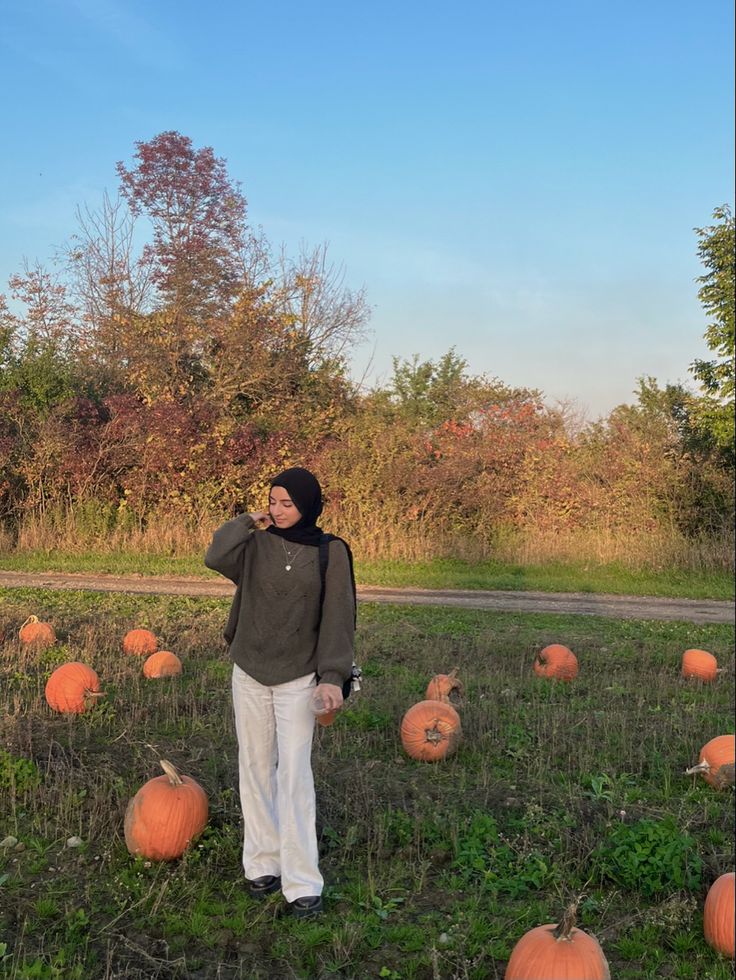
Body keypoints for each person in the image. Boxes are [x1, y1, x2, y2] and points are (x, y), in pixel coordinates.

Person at [204, 466, 355, 918]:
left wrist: (332, 676)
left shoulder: (331, 553)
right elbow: (215, 555)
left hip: (298, 678)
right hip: (249, 670)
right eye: (273, 501)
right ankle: (262, 864)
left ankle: (302, 882)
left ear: (308, 504)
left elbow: (338, 617)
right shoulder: (254, 544)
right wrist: (249, 520)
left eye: (287, 503)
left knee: (293, 776)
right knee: (253, 766)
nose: (278, 510)